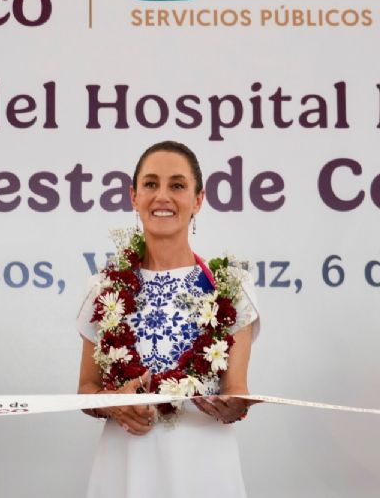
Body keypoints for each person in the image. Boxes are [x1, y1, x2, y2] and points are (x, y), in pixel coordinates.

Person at [76, 140, 260, 498]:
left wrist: (235, 406)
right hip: (125, 465)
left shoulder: (232, 286)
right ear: (133, 196)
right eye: (150, 184)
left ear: (198, 199)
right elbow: (86, 389)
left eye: (177, 185)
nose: (162, 196)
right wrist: (113, 404)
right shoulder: (104, 287)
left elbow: (237, 389)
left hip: (204, 466)